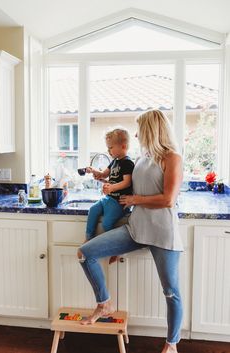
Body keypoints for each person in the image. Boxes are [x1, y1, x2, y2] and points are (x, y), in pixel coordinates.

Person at [78, 110, 183, 353]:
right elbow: (125, 189)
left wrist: (136, 198)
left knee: (171, 292)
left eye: (139, 129)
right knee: (86, 253)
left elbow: (168, 199)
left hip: (163, 233)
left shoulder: (172, 158)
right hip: (136, 228)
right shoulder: (143, 158)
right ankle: (104, 304)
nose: (136, 134)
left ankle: (171, 344)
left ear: (151, 130)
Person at [84, 127, 134, 244]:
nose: (108, 150)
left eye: (111, 147)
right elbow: (103, 174)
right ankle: (88, 238)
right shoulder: (114, 161)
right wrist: (94, 171)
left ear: (123, 146)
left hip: (118, 202)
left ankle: (114, 245)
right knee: (92, 210)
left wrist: (111, 187)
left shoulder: (127, 163)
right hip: (108, 198)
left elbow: (127, 182)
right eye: (108, 148)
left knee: (107, 223)